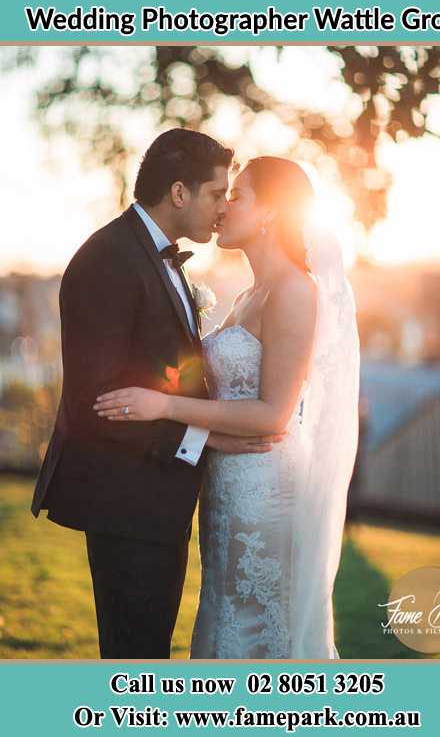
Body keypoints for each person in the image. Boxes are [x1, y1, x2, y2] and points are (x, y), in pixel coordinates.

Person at [93, 156, 361, 658]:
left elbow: (272, 415)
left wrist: (162, 406)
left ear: (270, 214)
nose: (222, 206)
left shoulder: (293, 292)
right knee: (223, 622)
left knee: (258, 632)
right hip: (224, 489)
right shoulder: (247, 297)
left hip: (265, 490)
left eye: (235, 196)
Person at [30, 129, 283, 659]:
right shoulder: (110, 260)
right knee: (135, 657)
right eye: (217, 194)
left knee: (146, 650)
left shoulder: (152, 255)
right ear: (178, 193)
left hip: (154, 500)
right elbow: (96, 402)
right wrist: (202, 439)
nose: (221, 208)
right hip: (125, 499)